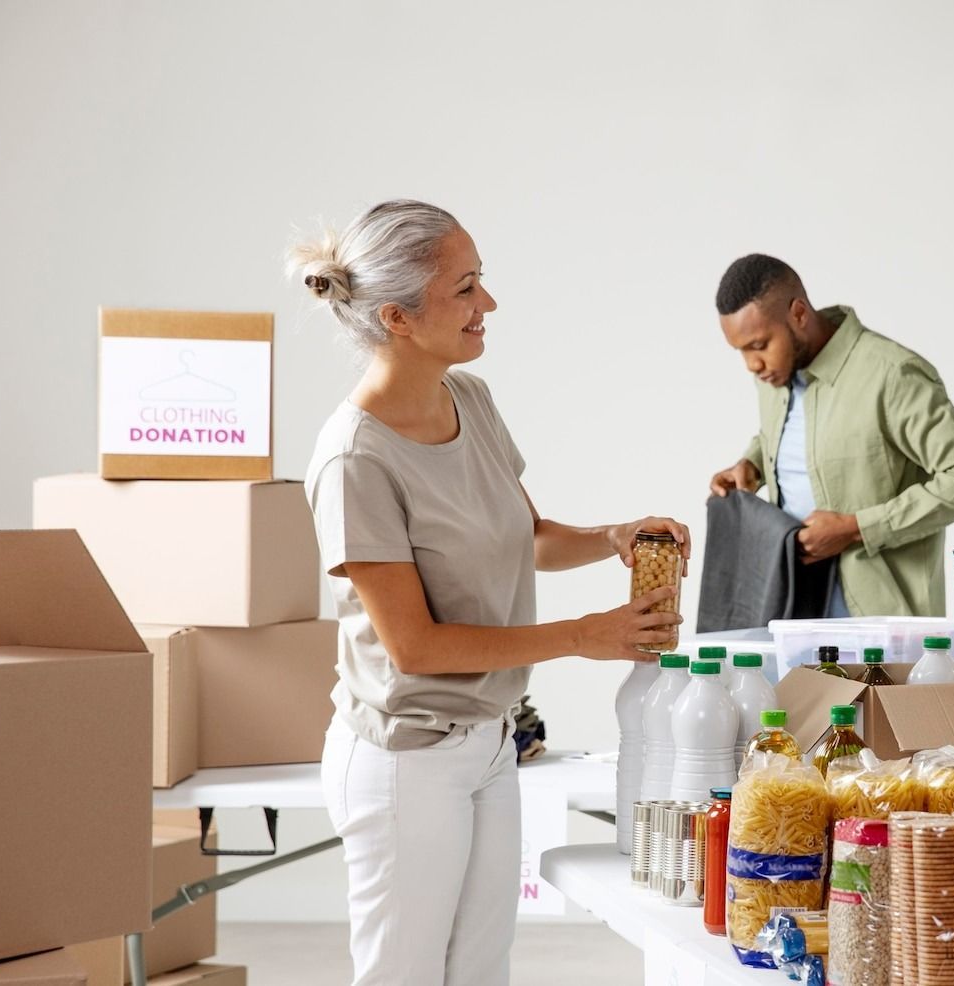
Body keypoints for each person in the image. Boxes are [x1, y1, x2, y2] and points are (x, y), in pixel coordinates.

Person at [290, 199, 689, 986]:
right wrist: (586, 634)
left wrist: (610, 537)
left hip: (488, 744)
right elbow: (418, 646)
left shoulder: (467, 400)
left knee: (480, 973)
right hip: (407, 758)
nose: (489, 306)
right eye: (466, 288)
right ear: (399, 317)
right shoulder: (354, 460)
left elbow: (525, 537)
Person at [708, 254, 954, 618]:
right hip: (790, 612)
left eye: (759, 345)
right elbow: (799, 431)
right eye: (740, 351)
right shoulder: (775, 377)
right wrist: (753, 464)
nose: (751, 365)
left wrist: (855, 528)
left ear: (799, 314)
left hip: (878, 623)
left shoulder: (891, 374)